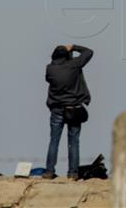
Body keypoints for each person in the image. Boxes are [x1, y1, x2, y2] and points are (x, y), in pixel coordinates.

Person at [44, 44, 93, 179]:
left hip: (57, 109)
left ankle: (49, 171)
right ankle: (72, 173)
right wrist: (74, 47)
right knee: (74, 141)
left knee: (54, 140)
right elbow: (89, 52)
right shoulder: (74, 65)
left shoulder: (50, 69)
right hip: (74, 109)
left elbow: (49, 79)